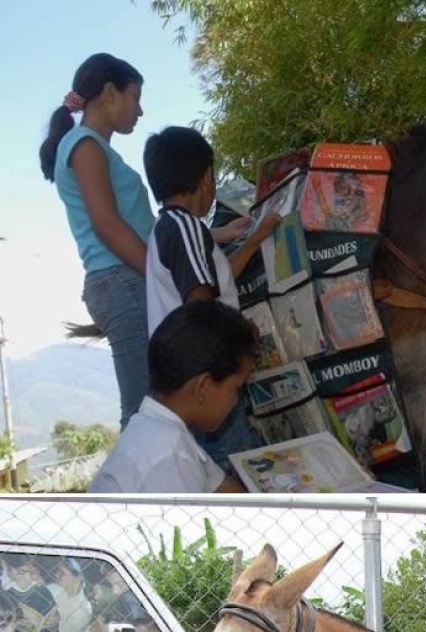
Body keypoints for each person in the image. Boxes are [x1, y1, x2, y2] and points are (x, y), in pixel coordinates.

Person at [143, 125, 280, 468]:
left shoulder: (168, 228)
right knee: (235, 466)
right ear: (206, 178)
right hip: (210, 384)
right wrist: (241, 339)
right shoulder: (186, 227)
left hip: (193, 385)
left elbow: (216, 284)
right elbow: (202, 306)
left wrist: (252, 239)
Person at [39, 54, 154, 427]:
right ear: (109, 93)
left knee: (151, 411)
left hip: (124, 279)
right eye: (135, 97)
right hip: (122, 280)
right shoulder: (84, 145)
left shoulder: (93, 146)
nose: (140, 110)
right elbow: (107, 224)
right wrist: (162, 275)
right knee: (143, 414)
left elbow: (140, 224)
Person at [88, 300, 258, 493]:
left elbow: (223, 489)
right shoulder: (169, 456)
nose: (237, 400)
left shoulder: (156, 428)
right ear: (203, 386)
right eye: (237, 387)